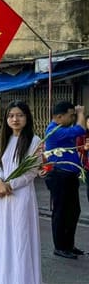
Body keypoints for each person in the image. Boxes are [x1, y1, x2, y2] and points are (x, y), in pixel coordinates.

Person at [0, 101, 44, 284]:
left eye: (20, 115)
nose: (15, 119)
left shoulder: (35, 141)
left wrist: (9, 185)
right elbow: (0, 168)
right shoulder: (5, 139)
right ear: (6, 119)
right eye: (11, 115)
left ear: (27, 117)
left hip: (21, 199)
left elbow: (31, 173)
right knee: (6, 242)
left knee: (22, 242)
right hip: (5, 200)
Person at [44, 101, 86, 259]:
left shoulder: (63, 129)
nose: (74, 117)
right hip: (60, 176)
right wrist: (82, 113)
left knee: (73, 212)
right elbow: (81, 129)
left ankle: (69, 244)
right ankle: (60, 246)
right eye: (71, 115)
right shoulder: (54, 130)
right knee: (61, 212)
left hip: (69, 176)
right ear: (59, 117)